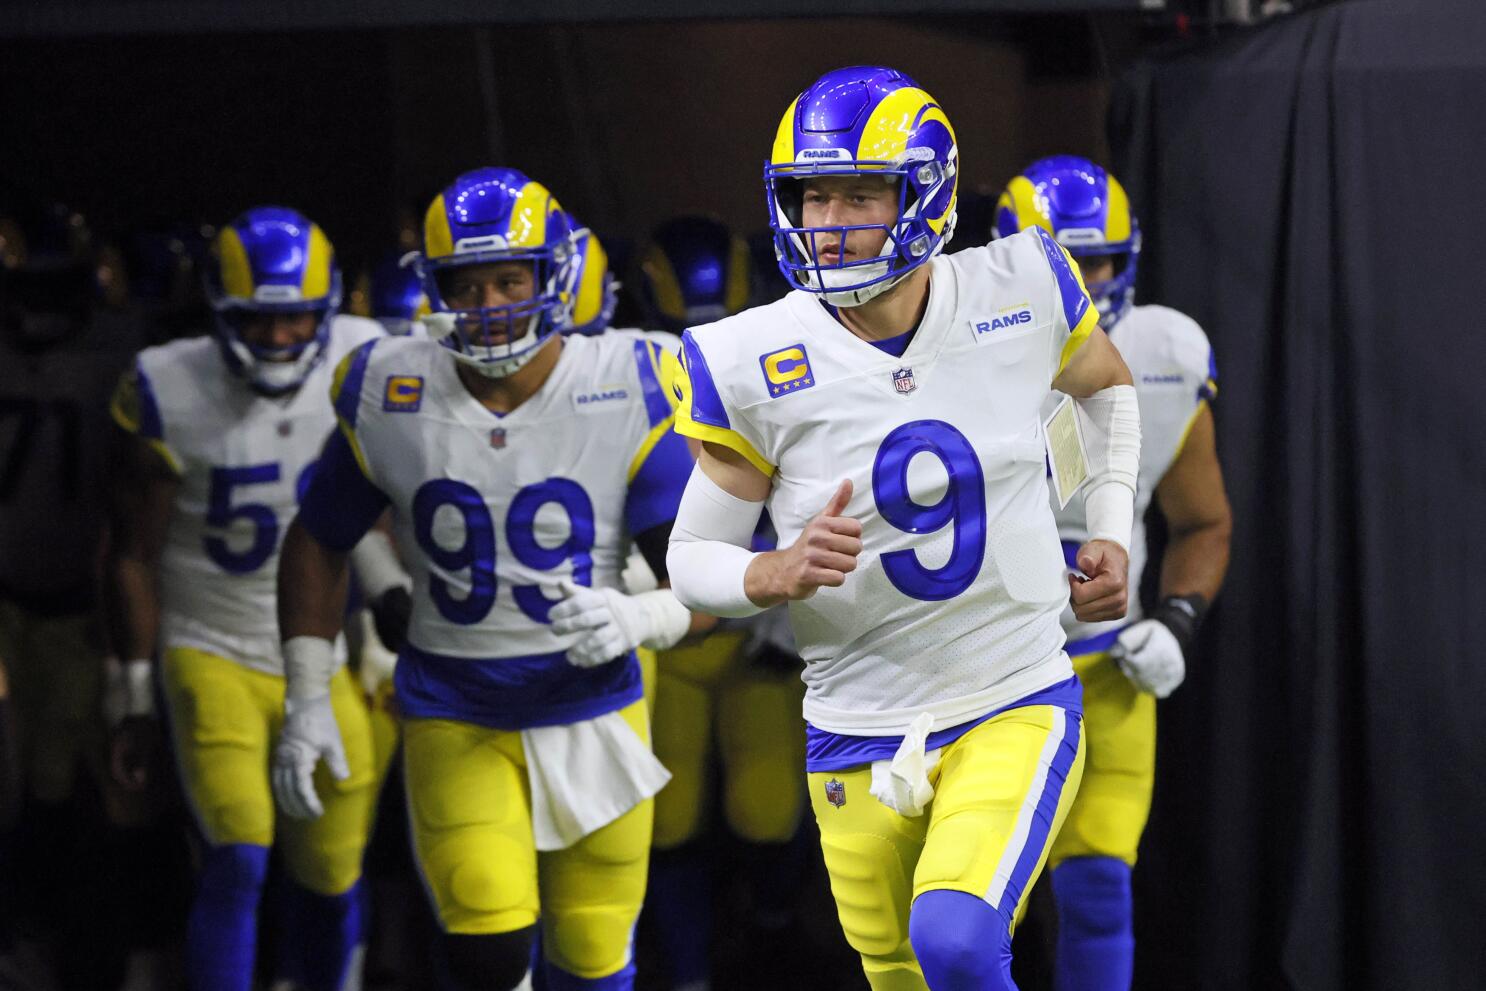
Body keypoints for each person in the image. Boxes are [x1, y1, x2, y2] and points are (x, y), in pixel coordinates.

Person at [665, 66, 1143, 991]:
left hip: (1013, 689)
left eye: (860, 190)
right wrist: (770, 573)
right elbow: (692, 558)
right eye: (813, 192)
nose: (830, 216)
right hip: (853, 724)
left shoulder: (1021, 282)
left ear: (926, 194)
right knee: (902, 972)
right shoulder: (754, 355)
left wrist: (1110, 524)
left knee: (957, 942)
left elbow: (1106, 386)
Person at [271, 167, 703, 991]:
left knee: (592, 956)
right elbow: (318, 538)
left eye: (511, 278)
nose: (493, 302)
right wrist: (304, 691)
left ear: (554, 277)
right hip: (453, 707)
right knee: (488, 953)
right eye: (469, 285)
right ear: (436, 290)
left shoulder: (626, 383)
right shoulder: (387, 386)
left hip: (592, 707)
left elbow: (708, 573)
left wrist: (644, 616)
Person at [107, 206, 392, 991]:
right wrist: (132, 692)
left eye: (296, 319)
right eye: (258, 322)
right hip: (211, 642)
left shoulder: (366, 361)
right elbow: (130, 551)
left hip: (327, 647)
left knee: (335, 868)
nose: (277, 340)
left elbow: (389, 509)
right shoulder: (169, 384)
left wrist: (382, 637)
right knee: (237, 855)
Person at [994, 156, 1232, 991]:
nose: (1086, 282)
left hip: (1102, 667)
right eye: (1065, 259)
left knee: (1098, 887)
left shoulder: (1163, 353)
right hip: (977, 680)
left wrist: (1177, 618)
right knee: (968, 916)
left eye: (1100, 260)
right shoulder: (944, 351)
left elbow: (1202, 520)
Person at [632, 215, 806, 991]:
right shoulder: (627, 389)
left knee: (768, 813)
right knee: (666, 821)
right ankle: (691, 971)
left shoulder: (799, 369)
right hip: (672, 635)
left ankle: (771, 938)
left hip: (761, 634)